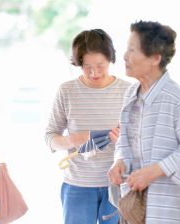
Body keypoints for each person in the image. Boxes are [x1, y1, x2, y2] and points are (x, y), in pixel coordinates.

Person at [108, 20, 180, 223]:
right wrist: (120, 162)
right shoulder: (130, 94)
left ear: (155, 58)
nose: (125, 56)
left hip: (167, 205)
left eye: (132, 50)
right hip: (134, 203)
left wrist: (153, 172)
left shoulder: (177, 99)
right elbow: (124, 141)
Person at [45, 28, 131, 224]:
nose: (94, 73)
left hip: (118, 184)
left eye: (100, 65)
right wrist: (72, 140)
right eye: (86, 66)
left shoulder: (128, 91)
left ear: (110, 59)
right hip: (77, 186)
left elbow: (141, 140)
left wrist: (124, 140)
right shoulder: (66, 91)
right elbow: (50, 137)